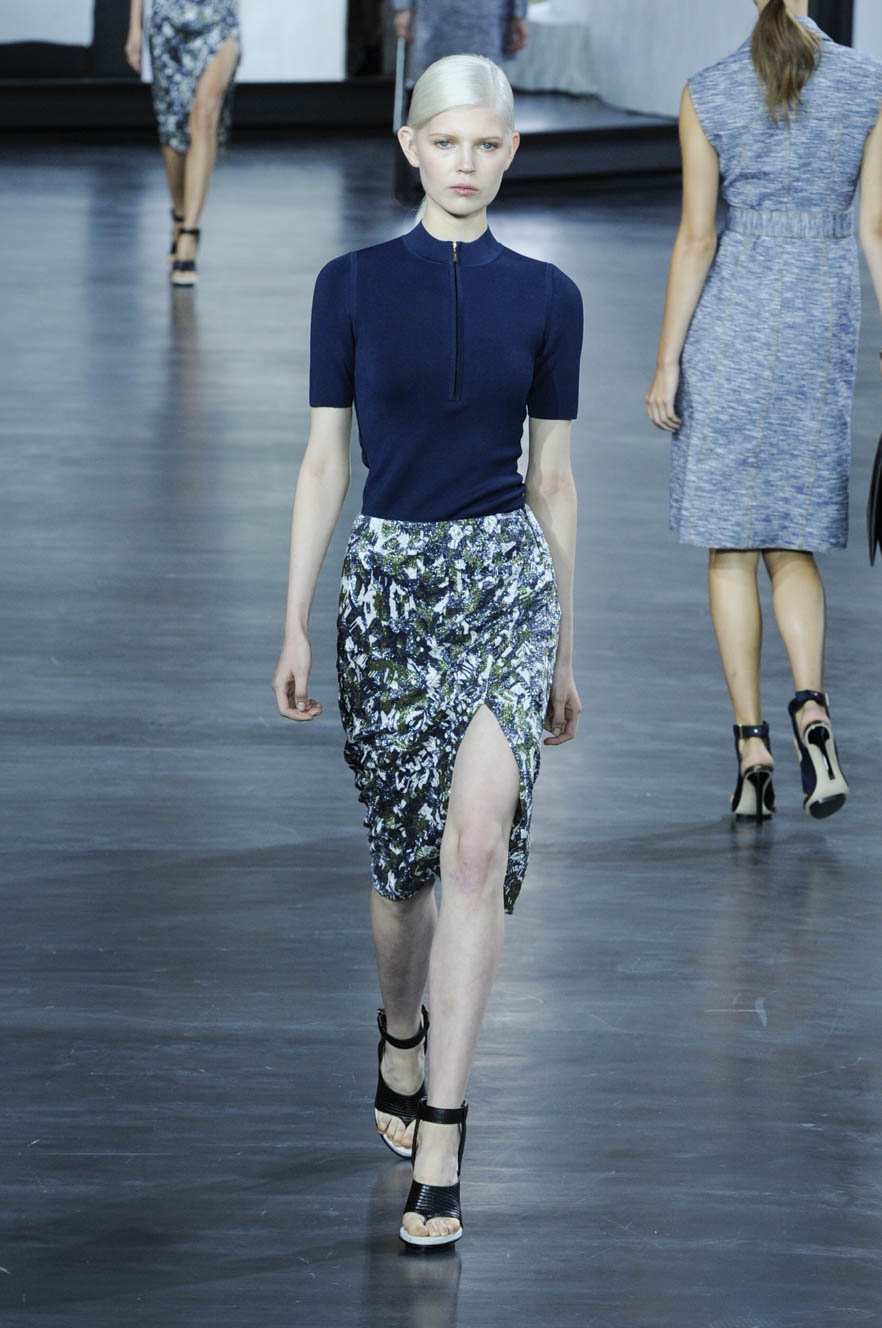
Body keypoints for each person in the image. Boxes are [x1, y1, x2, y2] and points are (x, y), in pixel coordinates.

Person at [272, 54, 582, 1247]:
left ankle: (445, 1128)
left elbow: (554, 479)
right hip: (390, 591)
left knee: (474, 849)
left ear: (511, 152)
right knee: (404, 871)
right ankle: (398, 1026)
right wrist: (294, 616)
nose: (466, 163)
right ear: (410, 146)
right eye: (445, 142)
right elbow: (324, 460)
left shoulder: (549, 296)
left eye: (486, 144)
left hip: (505, 583)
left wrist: (563, 648)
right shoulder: (348, 285)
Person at [646, 0, 882, 821]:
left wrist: (668, 361)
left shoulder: (709, 90)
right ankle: (811, 706)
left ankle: (752, 747)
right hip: (823, 322)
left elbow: (697, 238)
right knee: (793, 540)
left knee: (731, 546)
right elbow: (877, 229)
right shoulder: (870, 83)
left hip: (732, 324)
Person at [125, 0, 240, 287]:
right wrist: (135, 26)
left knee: (205, 114)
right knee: (174, 128)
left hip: (218, 17)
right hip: (168, 18)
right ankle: (179, 214)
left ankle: (189, 232)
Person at [392, 1, 529, 79]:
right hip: (436, 15)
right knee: (436, 83)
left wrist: (520, 13)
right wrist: (402, 7)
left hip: (487, 16)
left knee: (486, 82)